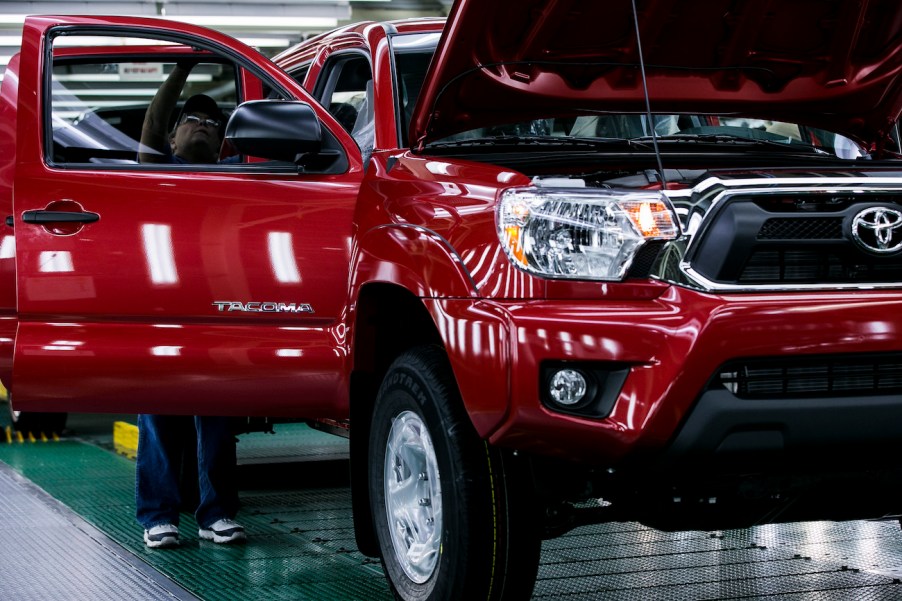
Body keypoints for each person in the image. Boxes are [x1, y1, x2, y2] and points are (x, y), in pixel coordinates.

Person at [136, 62, 245, 548]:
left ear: (221, 144)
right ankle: (158, 516)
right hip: (162, 308)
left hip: (217, 308)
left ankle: (216, 513)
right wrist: (182, 69)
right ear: (174, 139)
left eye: (211, 124)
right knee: (158, 416)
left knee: (218, 418)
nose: (202, 125)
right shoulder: (156, 167)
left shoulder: (232, 177)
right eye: (191, 121)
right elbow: (152, 124)